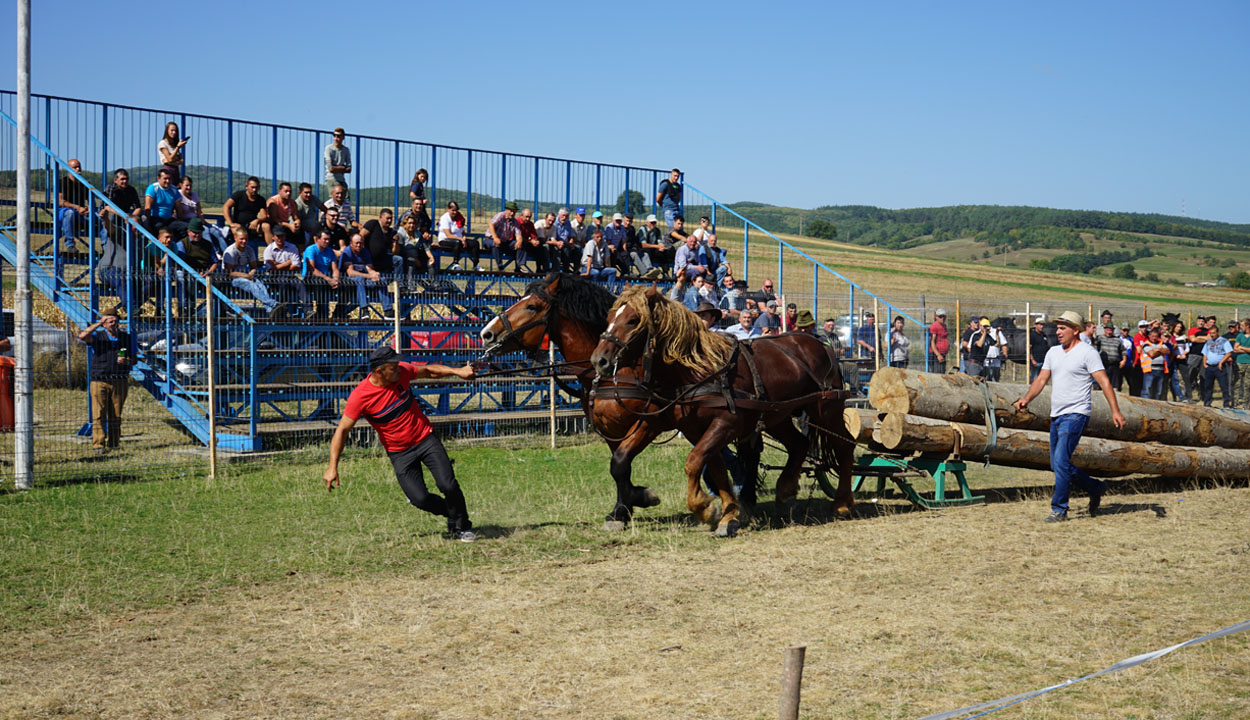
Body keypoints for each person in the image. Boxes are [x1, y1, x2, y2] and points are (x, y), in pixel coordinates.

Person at [324, 346, 478, 542]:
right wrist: (332, 467)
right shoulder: (360, 396)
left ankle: (461, 526)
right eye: (393, 367)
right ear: (379, 371)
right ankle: (452, 512)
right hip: (400, 453)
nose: (399, 369)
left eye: (398, 365)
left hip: (425, 439)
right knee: (419, 499)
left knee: (447, 484)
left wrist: (458, 372)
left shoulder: (401, 373)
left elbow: (429, 371)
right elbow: (342, 430)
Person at [1013, 310, 1125, 522]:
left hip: (1076, 414)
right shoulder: (1053, 352)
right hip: (1057, 414)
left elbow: (1104, 382)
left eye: (1063, 328)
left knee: (1061, 461)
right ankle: (1096, 487)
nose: (1058, 331)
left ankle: (1059, 509)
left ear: (1076, 330)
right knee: (1057, 464)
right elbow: (1040, 380)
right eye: (1057, 327)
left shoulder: (1087, 352)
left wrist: (1115, 411)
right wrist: (1026, 399)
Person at [77, 311, 132, 452]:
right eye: (110, 322)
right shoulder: (98, 336)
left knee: (116, 414)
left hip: (119, 380)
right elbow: (82, 336)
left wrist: (127, 361)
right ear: (105, 324)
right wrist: (99, 323)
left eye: (115, 321)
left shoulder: (126, 338)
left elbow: (135, 358)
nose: (113, 324)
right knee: (99, 413)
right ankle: (98, 444)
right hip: (99, 380)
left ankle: (114, 443)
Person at [222, 227, 283, 318]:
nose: (244, 241)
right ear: (235, 238)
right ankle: (273, 304)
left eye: (246, 239)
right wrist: (246, 275)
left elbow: (253, 266)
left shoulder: (249, 250)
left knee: (259, 283)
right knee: (250, 284)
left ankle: (270, 309)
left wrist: (252, 273)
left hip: (246, 276)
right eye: (241, 239)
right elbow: (229, 273)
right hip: (231, 280)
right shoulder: (230, 251)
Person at [340, 232, 393, 314]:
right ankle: (364, 309)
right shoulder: (347, 253)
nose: (358, 245)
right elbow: (350, 272)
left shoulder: (365, 252)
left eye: (360, 243)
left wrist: (375, 274)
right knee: (359, 279)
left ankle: (388, 310)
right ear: (351, 243)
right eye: (356, 243)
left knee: (381, 280)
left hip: (364, 281)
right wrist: (368, 276)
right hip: (348, 282)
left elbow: (369, 268)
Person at [303, 229, 350, 319]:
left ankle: (338, 312)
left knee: (347, 284)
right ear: (317, 239)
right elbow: (312, 269)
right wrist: (328, 279)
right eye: (325, 239)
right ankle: (321, 314)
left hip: (327, 280)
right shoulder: (310, 250)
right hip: (312, 280)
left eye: (328, 239)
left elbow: (335, 269)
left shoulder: (330, 251)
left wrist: (336, 280)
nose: (327, 242)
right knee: (321, 283)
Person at [263, 227, 310, 316]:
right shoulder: (269, 249)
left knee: (300, 284)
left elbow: (296, 265)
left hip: (290, 275)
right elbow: (270, 268)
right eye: (278, 236)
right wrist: (288, 263)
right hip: (275, 277)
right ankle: (284, 310)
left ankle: (308, 309)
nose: (280, 238)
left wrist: (278, 265)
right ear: (273, 237)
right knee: (283, 283)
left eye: (282, 236)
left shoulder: (292, 247)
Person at [100, 168, 142, 251]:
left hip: (125, 216)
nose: (125, 181)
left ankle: (138, 248)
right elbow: (107, 207)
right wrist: (124, 216)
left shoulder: (131, 190)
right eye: (122, 179)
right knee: (109, 217)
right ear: (115, 180)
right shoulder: (111, 188)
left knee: (142, 219)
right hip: (110, 214)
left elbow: (138, 208)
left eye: (126, 179)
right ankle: (106, 248)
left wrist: (132, 217)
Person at [222, 176, 271, 245]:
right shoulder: (238, 195)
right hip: (238, 225)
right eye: (252, 187)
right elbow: (225, 207)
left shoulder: (261, 200)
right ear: (246, 186)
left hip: (252, 226)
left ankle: (272, 251)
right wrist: (231, 224)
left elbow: (264, 216)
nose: (254, 189)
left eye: (256, 187)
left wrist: (257, 220)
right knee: (236, 230)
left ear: (259, 187)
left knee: (266, 226)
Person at [56, 158, 90, 252]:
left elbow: (92, 201)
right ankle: (70, 244)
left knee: (100, 216)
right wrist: (77, 207)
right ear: (68, 169)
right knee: (69, 213)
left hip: (80, 214)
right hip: (65, 213)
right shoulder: (62, 182)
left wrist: (88, 208)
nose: (78, 169)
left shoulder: (84, 183)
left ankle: (106, 247)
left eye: (79, 167)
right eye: (75, 167)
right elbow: (59, 201)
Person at [360, 208, 402, 281]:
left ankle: (398, 285)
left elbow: (395, 252)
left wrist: (395, 242)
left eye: (391, 218)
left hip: (382, 259)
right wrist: (363, 251)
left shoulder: (391, 232)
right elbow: (361, 235)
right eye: (387, 218)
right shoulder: (373, 224)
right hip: (369, 259)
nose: (389, 221)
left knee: (398, 260)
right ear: (380, 217)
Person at [1200, 318, 1233, 408]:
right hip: (1209, 367)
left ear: (1217, 332)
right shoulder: (1208, 342)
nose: (1212, 335)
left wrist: (1221, 362)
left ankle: (1226, 403)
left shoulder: (1224, 341)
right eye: (1210, 333)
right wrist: (1204, 364)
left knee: (1224, 386)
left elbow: (1228, 353)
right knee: (1208, 386)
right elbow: (1205, 353)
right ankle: (1207, 402)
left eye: (1213, 333)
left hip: (1220, 367)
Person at [438, 200, 479, 271]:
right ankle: (455, 263)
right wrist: (461, 239)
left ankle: (476, 265)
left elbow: (462, 232)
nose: (455, 212)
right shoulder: (444, 218)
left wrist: (464, 238)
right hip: (445, 240)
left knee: (475, 243)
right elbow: (448, 235)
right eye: (453, 210)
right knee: (457, 242)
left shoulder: (459, 218)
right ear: (448, 209)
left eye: (456, 210)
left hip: (460, 240)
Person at [396, 213, 435, 283]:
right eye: (409, 223)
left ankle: (434, 284)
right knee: (411, 261)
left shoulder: (418, 234)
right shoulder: (401, 234)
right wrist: (415, 259)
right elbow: (401, 250)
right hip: (406, 259)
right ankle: (410, 285)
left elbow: (425, 247)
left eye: (413, 223)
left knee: (430, 262)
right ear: (405, 224)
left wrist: (431, 257)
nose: (412, 225)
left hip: (418, 258)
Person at [143, 168, 182, 236]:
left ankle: (176, 245)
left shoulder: (174, 190)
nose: (168, 181)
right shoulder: (153, 188)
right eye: (165, 178)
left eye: (169, 179)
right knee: (159, 228)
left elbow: (179, 208)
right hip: (156, 219)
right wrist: (148, 224)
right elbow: (147, 207)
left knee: (184, 227)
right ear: (158, 178)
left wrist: (180, 221)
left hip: (169, 219)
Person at [487, 201, 523, 270]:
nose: (512, 213)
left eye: (514, 212)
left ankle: (518, 267)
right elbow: (491, 224)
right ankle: (500, 266)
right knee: (495, 243)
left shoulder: (515, 221)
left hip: (504, 242)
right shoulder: (501, 216)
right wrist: (495, 237)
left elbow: (518, 234)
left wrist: (519, 241)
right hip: (490, 240)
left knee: (519, 245)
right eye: (511, 211)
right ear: (506, 210)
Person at [1137, 327, 1168, 400]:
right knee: (1147, 389)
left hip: (1161, 370)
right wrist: (1161, 350)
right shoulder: (1146, 344)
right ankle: (1145, 404)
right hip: (1150, 370)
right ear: (1149, 336)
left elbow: (1168, 351)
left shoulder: (1160, 343)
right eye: (1152, 336)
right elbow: (1152, 354)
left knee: (1158, 391)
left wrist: (1157, 349)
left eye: (1156, 336)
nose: (1154, 338)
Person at [267, 182, 301, 246]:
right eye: (286, 191)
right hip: (274, 224)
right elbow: (274, 219)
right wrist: (289, 226)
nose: (288, 193)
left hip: (285, 224)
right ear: (279, 191)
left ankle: (300, 253)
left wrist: (297, 222)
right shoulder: (273, 201)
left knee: (299, 231)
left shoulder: (293, 203)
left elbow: (296, 217)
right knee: (280, 230)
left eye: (290, 191)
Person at [1093, 323, 1125, 391]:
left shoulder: (1117, 340)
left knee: (1114, 387)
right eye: (1107, 330)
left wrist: (1124, 360)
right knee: (1102, 385)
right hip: (1103, 365)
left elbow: (1123, 351)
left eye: (1111, 330)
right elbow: (1094, 346)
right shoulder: (1100, 338)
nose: (1109, 332)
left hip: (1115, 365)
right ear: (1104, 330)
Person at [324, 127, 352, 199]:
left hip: (341, 179)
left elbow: (349, 169)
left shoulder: (346, 150)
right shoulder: (329, 148)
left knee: (346, 199)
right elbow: (330, 169)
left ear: (343, 137)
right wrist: (342, 167)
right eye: (334, 135)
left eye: (338, 136)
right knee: (336, 199)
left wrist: (335, 167)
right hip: (332, 178)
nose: (336, 138)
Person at [1233, 318, 1250, 408]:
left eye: (1242, 326)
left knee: (1247, 385)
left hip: (1249, 363)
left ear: (1248, 326)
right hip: (1239, 362)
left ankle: (1246, 405)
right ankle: (1235, 403)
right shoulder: (1239, 336)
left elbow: (1239, 348)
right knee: (1237, 383)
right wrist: (1247, 349)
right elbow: (1235, 349)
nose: (1240, 327)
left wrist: (1241, 348)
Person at [1028, 317, 1049, 382]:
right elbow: (1029, 348)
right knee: (1034, 379)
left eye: (1042, 325)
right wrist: (1032, 360)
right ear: (1035, 325)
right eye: (1040, 324)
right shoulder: (1032, 335)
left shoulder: (1044, 335)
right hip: (1035, 362)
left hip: (1043, 362)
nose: (1042, 326)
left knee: (1042, 380)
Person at [928, 309, 949, 373]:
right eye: (940, 316)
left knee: (942, 373)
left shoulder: (944, 326)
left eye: (944, 316)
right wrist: (938, 355)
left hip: (942, 354)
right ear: (936, 317)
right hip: (936, 355)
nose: (942, 318)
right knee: (937, 375)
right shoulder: (934, 326)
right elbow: (932, 342)